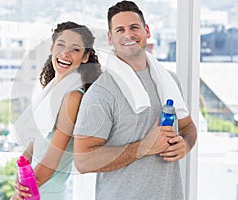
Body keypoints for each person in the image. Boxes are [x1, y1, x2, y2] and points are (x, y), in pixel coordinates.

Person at [73, 1, 197, 200]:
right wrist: (143, 148)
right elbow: (83, 161)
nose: (128, 35)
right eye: (120, 30)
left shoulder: (170, 82)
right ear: (110, 38)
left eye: (134, 27)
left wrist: (185, 143)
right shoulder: (102, 92)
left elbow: (188, 126)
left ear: (146, 31)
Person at [11, 21, 102, 200]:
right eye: (61, 45)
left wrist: (20, 194)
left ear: (85, 57)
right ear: (52, 47)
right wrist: (18, 186)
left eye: (75, 49)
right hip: (30, 190)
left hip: (44, 193)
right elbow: (31, 149)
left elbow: (52, 161)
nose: (65, 53)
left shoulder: (73, 97)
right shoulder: (49, 91)